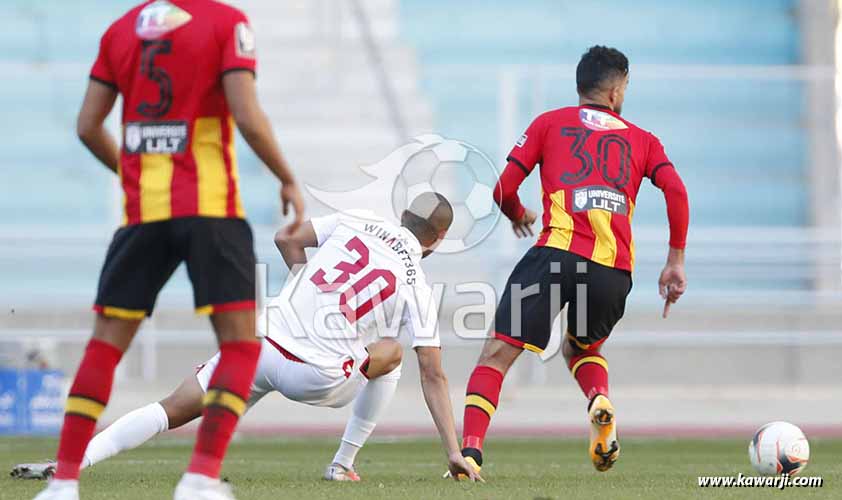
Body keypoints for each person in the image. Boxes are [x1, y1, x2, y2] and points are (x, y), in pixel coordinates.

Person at [19, 194, 481, 493]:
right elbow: (433, 373)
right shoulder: (418, 282)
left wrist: (305, 285)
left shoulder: (359, 219)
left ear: (400, 215)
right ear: (437, 241)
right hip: (318, 377)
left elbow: (285, 237)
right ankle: (342, 464)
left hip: (261, 343)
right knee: (393, 354)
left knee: (171, 408)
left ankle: (72, 465)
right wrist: (454, 452)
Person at [34, 1, 304, 499]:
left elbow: (88, 125)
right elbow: (245, 112)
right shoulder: (226, 22)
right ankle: (200, 478)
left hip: (144, 216)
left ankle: (64, 482)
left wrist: (131, 172)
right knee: (242, 345)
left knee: (104, 346)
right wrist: (286, 176)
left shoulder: (119, 31)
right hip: (211, 214)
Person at [458, 45, 689, 475]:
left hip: (554, 256)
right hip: (612, 271)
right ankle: (598, 398)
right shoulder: (644, 139)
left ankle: (470, 452)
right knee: (582, 347)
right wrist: (675, 259)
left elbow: (502, 190)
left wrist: (518, 214)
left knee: (495, 357)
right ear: (617, 91)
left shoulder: (549, 123)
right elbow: (676, 191)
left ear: (580, 86)